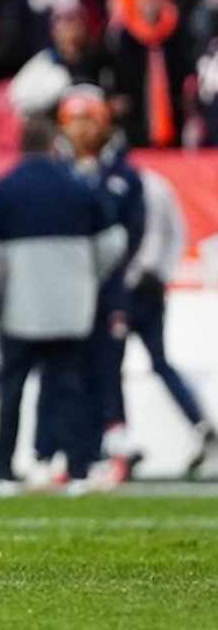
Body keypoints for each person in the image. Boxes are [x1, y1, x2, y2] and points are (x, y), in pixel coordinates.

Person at [0, 116, 124, 491]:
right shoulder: (80, 188)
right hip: (71, 309)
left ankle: (2, 469)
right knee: (70, 388)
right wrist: (86, 276)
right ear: (55, 145)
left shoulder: (2, 190)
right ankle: (79, 468)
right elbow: (113, 244)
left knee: (12, 390)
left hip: (21, 310)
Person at [57, 85, 145, 483]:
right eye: (74, 120)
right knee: (70, 375)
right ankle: (76, 452)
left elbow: (132, 233)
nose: (81, 129)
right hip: (70, 289)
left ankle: (117, 450)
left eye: (88, 119)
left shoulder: (122, 174)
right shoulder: (59, 171)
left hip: (108, 288)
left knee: (108, 370)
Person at [126, 168, 217, 475]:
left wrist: (155, 274)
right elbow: (175, 232)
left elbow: (174, 231)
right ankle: (119, 441)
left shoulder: (145, 183)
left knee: (139, 363)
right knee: (142, 364)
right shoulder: (151, 182)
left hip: (137, 288)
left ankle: (119, 443)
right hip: (138, 283)